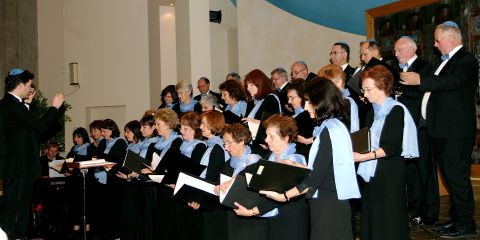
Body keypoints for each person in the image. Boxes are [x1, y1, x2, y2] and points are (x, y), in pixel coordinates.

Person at [400, 21, 478, 238]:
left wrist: (420, 80)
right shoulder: (443, 62)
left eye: (437, 39)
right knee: (451, 179)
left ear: (451, 38)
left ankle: (466, 225)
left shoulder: (466, 60)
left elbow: (452, 82)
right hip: (440, 130)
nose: (434, 44)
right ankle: (455, 220)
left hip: (455, 131)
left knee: (457, 178)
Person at [261, 77, 360, 240]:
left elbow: (315, 180)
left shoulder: (330, 130)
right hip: (329, 202)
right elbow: (325, 168)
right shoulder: (331, 127)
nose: (305, 106)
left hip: (328, 205)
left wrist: (283, 196)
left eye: (308, 101)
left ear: (321, 101)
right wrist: (296, 166)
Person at [0, 68, 65, 239]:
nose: (31, 89)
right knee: (17, 208)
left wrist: (28, 103)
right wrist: (54, 107)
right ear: (20, 85)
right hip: (19, 167)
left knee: (14, 207)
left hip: (14, 166)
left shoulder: (8, 104)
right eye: (29, 85)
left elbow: (24, 130)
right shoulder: (14, 106)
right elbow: (40, 126)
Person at [355, 65, 418, 240]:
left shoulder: (396, 110)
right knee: (373, 216)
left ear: (382, 86)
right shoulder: (371, 113)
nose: (365, 94)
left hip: (389, 172)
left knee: (389, 219)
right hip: (373, 171)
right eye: (363, 89)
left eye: (368, 89)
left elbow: (392, 147)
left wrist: (362, 157)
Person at [394, 36, 436, 225]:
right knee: (410, 172)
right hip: (404, 128)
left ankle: (430, 212)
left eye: (399, 50)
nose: (396, 54)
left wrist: (399, 91)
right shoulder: (398, 70)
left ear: (411, 49)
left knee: (424, 170)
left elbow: (422, 93)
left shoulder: (425, 67)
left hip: (419, 127)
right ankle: (413, 208)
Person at [262, 114, 308, 240]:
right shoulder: (268, 158)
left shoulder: (296, 160)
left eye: (271, 136)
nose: (266, 140)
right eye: (266, 135)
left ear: (285, 138)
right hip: (271, 217)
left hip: (291, 219)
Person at [218, 123, 265, 240]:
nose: (226, 147)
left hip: (252, 221)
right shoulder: (228, 164)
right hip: (233, 218)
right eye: (225, 143)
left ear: (242, 141)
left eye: (229, 143)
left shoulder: (255, 161)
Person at [189, 110, 229, 240]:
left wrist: (199, 199)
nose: (200, 127)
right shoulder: (212, 145)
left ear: (213, 124)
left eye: (204, 124)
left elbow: (212, 178)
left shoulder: (217, 147)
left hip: (215, 202)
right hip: (212, 199)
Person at [243, 69, 282, 155]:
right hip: (254, 145)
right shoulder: (252, 102)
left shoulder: (271, 99)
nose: (248, 88)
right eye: (247, 85)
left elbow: (275, 124)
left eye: (251, 85)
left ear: (260, 84)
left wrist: (256, 122)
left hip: (265, 146)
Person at [318, 64, 360, 132]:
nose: (340, 85)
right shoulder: (325, 103)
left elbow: (352, 129)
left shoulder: (346, 101)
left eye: (340, 81)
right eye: (336, 82)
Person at [285, 79, 314, 159]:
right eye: (288, 98)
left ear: (303, 97)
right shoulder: (294, 115)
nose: (289, 101)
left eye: (292, 98)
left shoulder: (309, 117)